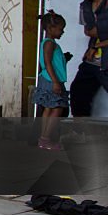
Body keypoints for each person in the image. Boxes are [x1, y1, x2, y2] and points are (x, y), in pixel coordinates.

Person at [33, 10, 70, 150]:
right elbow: (48, 63)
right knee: (57, 108)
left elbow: (51, 61)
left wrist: (64, 58)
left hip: (46, 79)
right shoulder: (50, 44)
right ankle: (46, 138)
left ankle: (43, 139)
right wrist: (55, 81)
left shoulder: (47, 43)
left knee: (48, 109)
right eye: (61, 29)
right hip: (51, 81)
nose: (62, 32)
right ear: (50, 29)